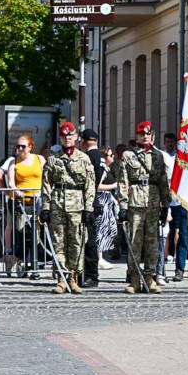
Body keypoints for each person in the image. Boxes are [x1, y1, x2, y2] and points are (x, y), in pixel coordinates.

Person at [39, 122, 95, 294]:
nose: (67, 138)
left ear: (76, 137)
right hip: (58, 205)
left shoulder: (84, 159)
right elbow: (46, 184)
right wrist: (46, 207)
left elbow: (90, 184)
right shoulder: (53, 158)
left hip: (77, 205)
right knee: (59, 243)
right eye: (64, 136)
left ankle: (73, 277)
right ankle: (61, 278)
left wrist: (89, 208)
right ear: (61, 138)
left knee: (77, 242)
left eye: (70, 135)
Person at [117, 121, 170, 294]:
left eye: (148, 134)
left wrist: (166, 205)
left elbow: (163, 182)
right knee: (134, 241)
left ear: (152, 136)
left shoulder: (158, 156)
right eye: (142, 134)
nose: (145, 136)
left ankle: (150, 277)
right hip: (134, 203)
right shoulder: (128, 155)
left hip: (153, 203)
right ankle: (134, 279)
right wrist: (123, 206)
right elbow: (123, 182)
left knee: (152, 242)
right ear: (137, 136)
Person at [4, 134, 45, 279]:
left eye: (23, 146)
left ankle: (34, 264)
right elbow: (11, 183)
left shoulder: (39, 159)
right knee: (21, 234)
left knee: (35, 234)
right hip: (19, 202)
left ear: (30, 147)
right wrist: (17, 191)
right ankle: (21, 260)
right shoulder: (13, 162)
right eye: (18, 146)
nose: (20, 149)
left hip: (36, 200)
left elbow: (46, 178)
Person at [78, 129, 106, 288]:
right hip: (93, 200)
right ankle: (85, 274)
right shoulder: (100, 156)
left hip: (88, 201)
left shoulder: (89, 157)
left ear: (82, 141)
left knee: (88, 241)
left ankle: (91, 275)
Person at [161, 132, 188, 282]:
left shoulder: (182, 157)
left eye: (172, 141)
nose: (170, 143)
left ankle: (180, 269)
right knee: (162, 235)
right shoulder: (161, 156)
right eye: (168, 141)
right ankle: (160, 270)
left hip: (181, 200)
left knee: (183, 236)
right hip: (165, 200)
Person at [93, 146, 118, 272]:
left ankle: (102, 255)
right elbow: (97, 186)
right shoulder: (102, 170)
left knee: (106, 228)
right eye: (110, 155)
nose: (112, 157)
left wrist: (113, 199)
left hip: (107, 200)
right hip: (101, 200)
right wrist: (113, 185)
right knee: (100, 229)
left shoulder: (107, 169)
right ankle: (99, 257)